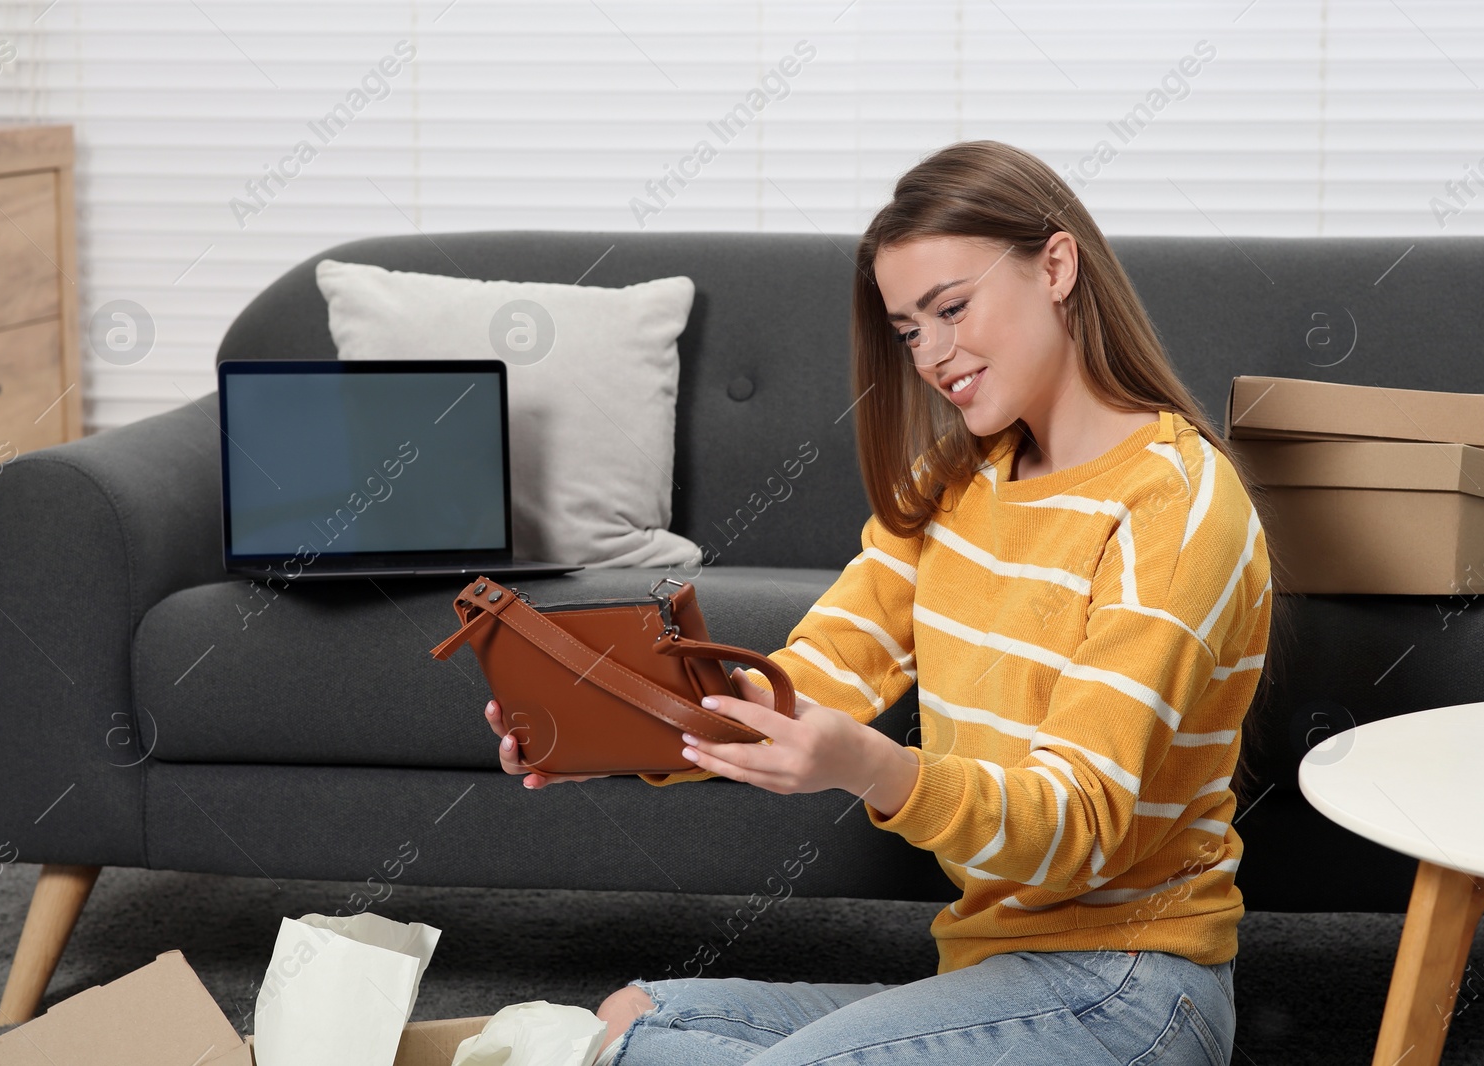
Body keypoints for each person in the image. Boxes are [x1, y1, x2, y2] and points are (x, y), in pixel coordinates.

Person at [484, 139, 1272, 1065]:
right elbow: (816, 674)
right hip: (990, 971)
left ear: (1056, 266)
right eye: (910, 330)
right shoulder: (953, 482)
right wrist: (625, 730)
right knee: (628, 1020)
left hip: (1130, 984)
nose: (933, 355)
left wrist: (874, 769)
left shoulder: (1175, 505)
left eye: (953, 308)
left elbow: (1082, 822)